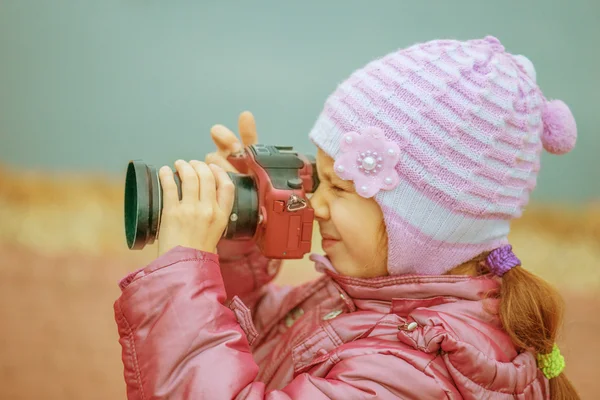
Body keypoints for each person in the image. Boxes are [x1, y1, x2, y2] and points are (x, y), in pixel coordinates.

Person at [114, 36, 579, 399]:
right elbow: (253, 341)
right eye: (318, 178)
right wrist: (237, 240)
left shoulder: (411, 372)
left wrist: (182, 271)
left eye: (339, 187)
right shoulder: (362, 299)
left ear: (426, 224)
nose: (315, 205)